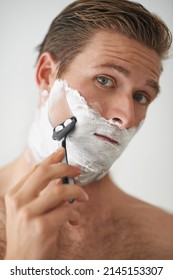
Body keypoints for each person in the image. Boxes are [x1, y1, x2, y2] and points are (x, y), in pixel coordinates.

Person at [0, 0, 173, 260]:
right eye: (105, 80)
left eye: (141, 96)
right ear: (47, 74)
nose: (126, 117)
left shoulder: (165, 237)